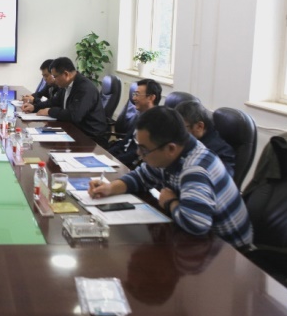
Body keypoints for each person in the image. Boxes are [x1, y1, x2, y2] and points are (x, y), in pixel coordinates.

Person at [88, 106, 253, 248]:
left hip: (229, 251)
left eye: (144, 150)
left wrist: (170, 202)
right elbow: (142, 176)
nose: (138, 153)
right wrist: (110, 188)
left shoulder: (195, 169)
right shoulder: (174, 151)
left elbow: (196, 224)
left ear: (171, 149)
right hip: (202, 241)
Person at [21, 57, 108, 146]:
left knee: (46, 145)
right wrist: (34, 107)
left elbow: (74, 115)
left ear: (66, 74)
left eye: (55, 76)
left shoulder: (85, 88)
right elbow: (53, 102)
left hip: (90, 137)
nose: (54, 80)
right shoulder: (66, 85)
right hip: (73, 129)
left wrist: (49, 111)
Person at [108, 78, 162, 168]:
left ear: (151, 98)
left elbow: (137, 154)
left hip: (130, 166)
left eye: (137, 94)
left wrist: (114, 162)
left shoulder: (156, 123)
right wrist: (107, 155)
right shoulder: (141, 115)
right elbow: (125, 142)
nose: (134, 98)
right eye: (134, 94)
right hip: (121, 159)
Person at [174, 100, 236, 177]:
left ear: (199, 126)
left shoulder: (222, 152)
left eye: (182, 128)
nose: (178, 133)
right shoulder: (185, 141)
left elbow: (222, 179)